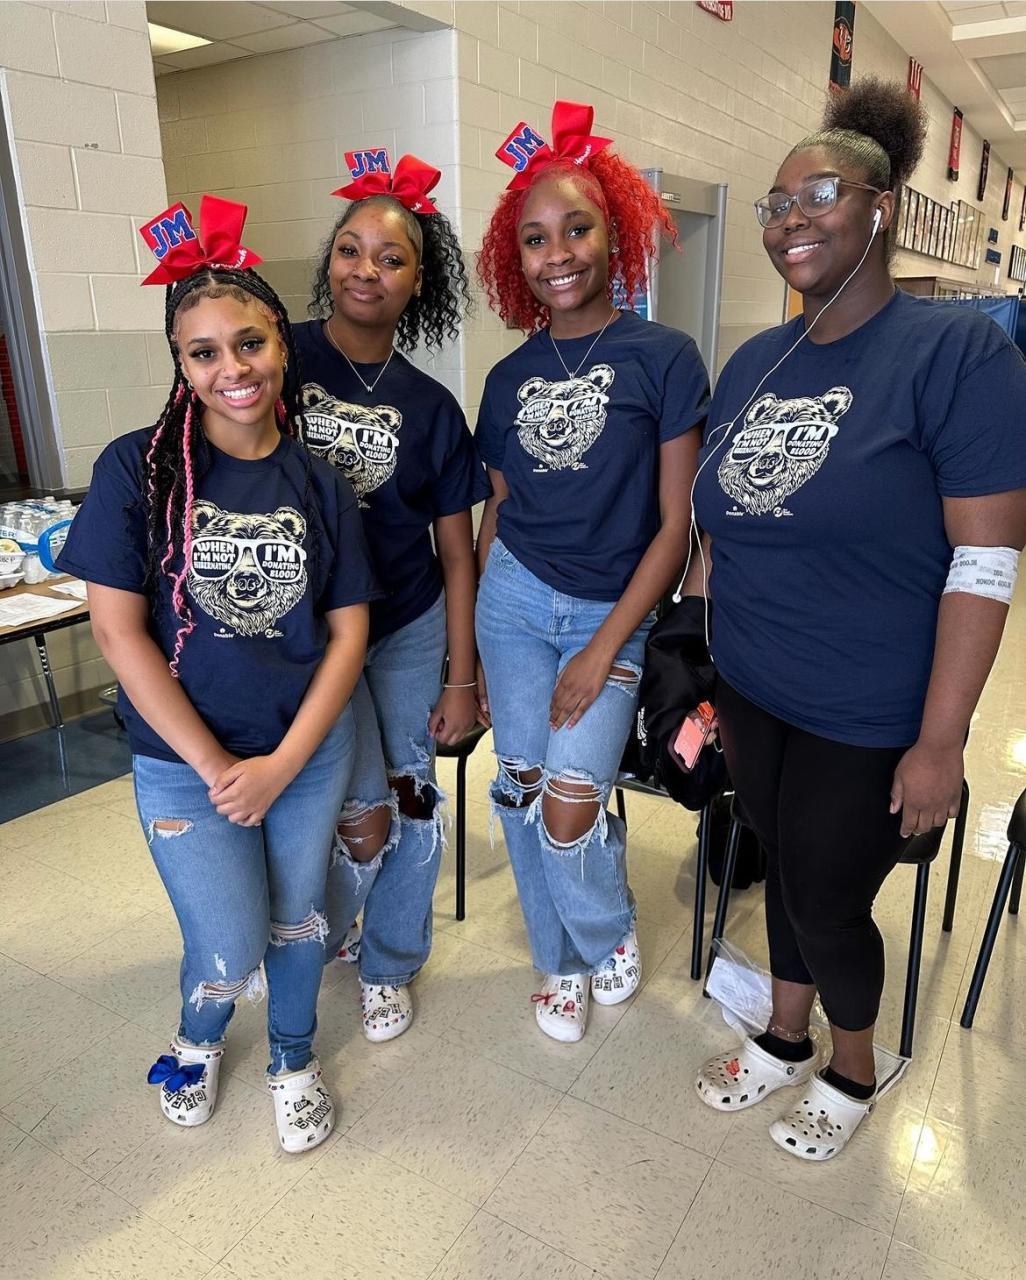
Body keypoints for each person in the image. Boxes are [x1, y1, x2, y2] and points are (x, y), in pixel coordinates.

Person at [692, 78, 1026, 1160]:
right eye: (775, 203)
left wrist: (943, 741)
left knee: (828, 897)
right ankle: (785, 1035)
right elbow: (720, 522)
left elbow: (984, 563)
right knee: (782, 865)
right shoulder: (755, 363)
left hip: (870, 705)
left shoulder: (959, 356)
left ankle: (852, 1064)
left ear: (881, 208)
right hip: (755, 683)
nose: (790, 219)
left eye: (819, 194)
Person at [56, 196, 378, 1152]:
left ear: (280, 343)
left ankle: (292, 1055)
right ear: (180, 363)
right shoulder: (137, 470)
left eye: (249, 343)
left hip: (303, 753)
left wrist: (282, 764)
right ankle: (197, 1037)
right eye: (204, 352)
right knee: (230, 941)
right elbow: (117, 631)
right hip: (182, 764)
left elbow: (349, 635)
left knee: (301, 917)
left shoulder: (319, 483)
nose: (231, 368)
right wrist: (217, 768)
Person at [474, 101, 710, 1042]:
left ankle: (606, 927)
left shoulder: (666, 358)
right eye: (535, 239)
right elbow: (498, 514)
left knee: (572, 807)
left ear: (617, 233)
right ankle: (557, 959)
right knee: (523, 788)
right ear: (516, 259)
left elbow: (677, 526)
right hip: (512, 602)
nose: (558, 253)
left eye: (577, 229)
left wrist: (606, 645)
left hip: (614, 609)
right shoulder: (507, 378)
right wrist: (474, 655)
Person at [295, 150, 489, 1041]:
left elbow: (457, 553)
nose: (365, 269)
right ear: (329, 260)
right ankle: (315, 936)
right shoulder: (279, 359)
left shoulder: (434, 407)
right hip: (304, 629)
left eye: (391, 257)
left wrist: (461, 674)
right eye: (350, 249)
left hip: (405, 622)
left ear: (419, 282)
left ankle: (392, 960)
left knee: (412, 792)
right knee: (343, 798)